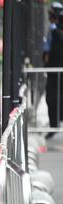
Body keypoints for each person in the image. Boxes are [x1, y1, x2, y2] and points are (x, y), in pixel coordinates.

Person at [45, 10, 63, 139]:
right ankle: (54, 125)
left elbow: (45, 52)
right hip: (54, 72)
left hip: (53, 71)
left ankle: (54, 125)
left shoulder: (53, 34)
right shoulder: (53, 34)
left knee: (52, 98)